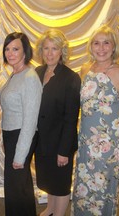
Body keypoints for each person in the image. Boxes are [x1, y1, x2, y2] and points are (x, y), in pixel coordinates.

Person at [71, 25, 119, 216]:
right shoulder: (85, 70)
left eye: (106, 43)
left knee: (104, 189)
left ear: (113, 47)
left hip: (109, 146)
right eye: (96, 43)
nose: (101, 48)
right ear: (91, 47)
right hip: (85, 143)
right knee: (83, 189)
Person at [34, 29, 81, 216]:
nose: (49, 53)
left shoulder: (71, 78)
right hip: (42, 139)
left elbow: (71, 118)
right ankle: (51, 208)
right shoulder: (37, 72)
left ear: (62, 51)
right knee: (48, 178)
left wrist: (64, 151)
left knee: (60, 182)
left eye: (54, 48)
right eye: (46, 48)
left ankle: (60, 213)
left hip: (61, 140)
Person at [0, 32, 42, 216]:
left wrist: (20, 154)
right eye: (7, 49)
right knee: (16, 186)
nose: (10, 53)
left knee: (19, 187)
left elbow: (30, 120)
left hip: (22, 136)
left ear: (25, 51)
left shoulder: (29, 77)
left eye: (15, 49)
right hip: (12, 135)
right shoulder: (14, 74)